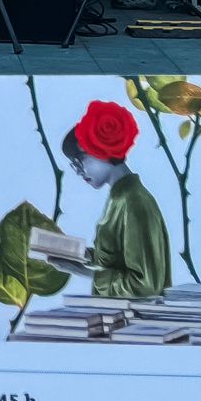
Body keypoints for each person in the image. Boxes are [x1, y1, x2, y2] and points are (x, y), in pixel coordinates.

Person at [59, 100, 170, 300]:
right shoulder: (119, 198)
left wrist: (82, 271)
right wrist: (81, 255)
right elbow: (116, 261)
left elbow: (146, 286)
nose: (77, 171)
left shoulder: (134, 203)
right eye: (73, 165)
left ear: (100, 150)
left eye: (79, 160)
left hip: (137, 325)